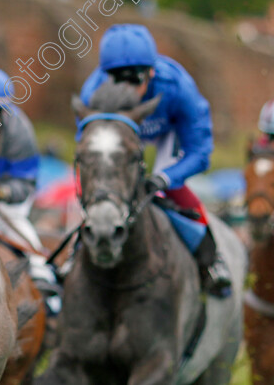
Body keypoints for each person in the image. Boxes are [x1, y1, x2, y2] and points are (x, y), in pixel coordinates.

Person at [79, 23, 231, 296]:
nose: (125, 89)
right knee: (98, 182)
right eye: (117, 79)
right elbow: (87, 151)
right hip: (119, 135)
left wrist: (165, 177)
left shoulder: (177, 88)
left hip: (167, 134)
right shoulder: (93, 93)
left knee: (168, 186)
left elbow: (200, 152)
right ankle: (75, 252)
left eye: (134, 79)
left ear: (151, 72)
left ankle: (211, 257)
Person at [0, 66, 56, 290]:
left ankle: (41, 273)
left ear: (5, 112)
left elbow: (25, 184)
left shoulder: (19, 132)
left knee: (16, 223)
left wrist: (0, 193)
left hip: (5, 201)